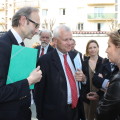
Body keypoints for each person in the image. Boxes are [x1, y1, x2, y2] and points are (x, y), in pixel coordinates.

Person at [34, 25, 86, 120]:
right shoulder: (45, 60)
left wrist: (83, 79)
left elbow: (83, 79)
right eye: (66, 40)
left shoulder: (75, 56)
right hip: (54, 114)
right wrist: (40, 115)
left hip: (75, 111)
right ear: (55, 40)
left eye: (71, 39)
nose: (70, 43)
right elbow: (39, 92)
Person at [0, 7, 42, 120]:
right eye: (36, 25)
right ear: (23, 20)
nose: (37, 30)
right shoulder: (3, 46)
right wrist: (29, 81)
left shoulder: (20, 46)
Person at [96, 29, 120, 120]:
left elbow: (101, 114)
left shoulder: (118, 80)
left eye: (109, 46)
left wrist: (107, 93)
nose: (106, 50)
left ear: (118, 46)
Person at [82, 40, 103, 120]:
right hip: (88, 97)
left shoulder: (104, 62)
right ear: (87, 50)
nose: (92, 49)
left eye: (94, 47)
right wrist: (84, 95)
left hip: (100, 97)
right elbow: (81, 82)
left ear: (98, 48)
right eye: (90, 48)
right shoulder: (83, 63)